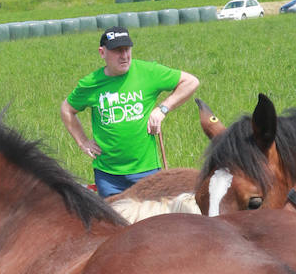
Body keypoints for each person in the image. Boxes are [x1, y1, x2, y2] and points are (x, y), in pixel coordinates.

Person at [60, 28, 200, 196]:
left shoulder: (148, 72)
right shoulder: (91, 84)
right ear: (102, 53)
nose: (124, 56)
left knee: (151, 221)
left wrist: (162, 109)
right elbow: (67, 109)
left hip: (146, 172)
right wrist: (82, 142)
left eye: (127, 49)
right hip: (108, 176)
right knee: (114, 221)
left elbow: (191, 82)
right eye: (117, 51)